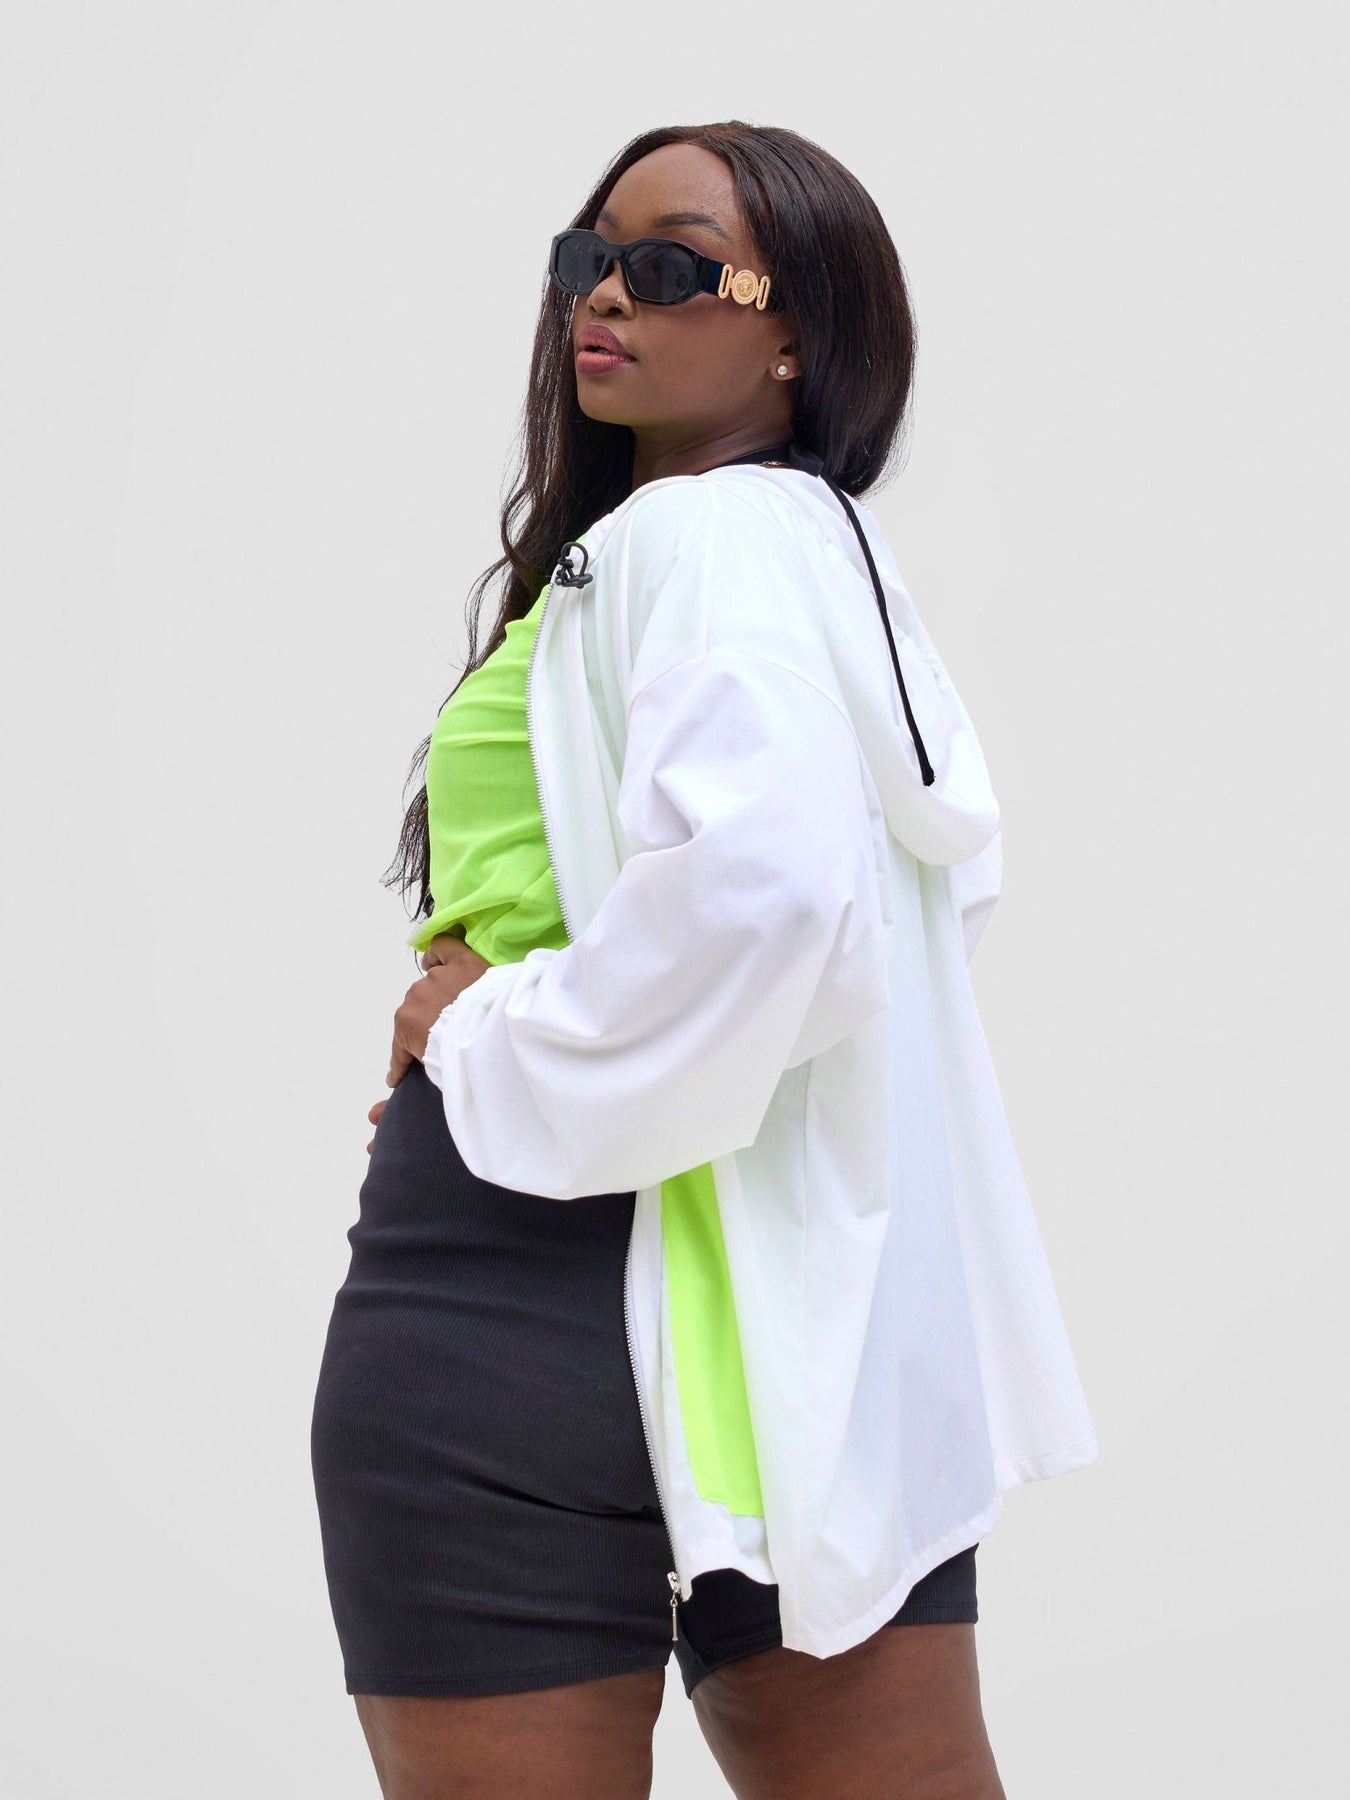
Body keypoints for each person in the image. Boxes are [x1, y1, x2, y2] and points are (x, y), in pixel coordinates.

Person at [310, 119, 1099, 1799]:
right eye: (587, 257)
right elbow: (909, 910)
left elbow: (772, 904)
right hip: (793, 1316)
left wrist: (491, 1043)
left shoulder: (696, 540)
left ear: (796, 331)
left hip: (513, 1300)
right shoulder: (823, 563)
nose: (603, 295)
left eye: (668, 266)